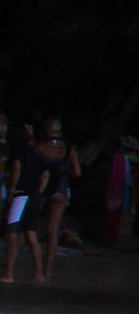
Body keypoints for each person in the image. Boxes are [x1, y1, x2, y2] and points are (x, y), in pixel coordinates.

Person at [4, 118, 76, 285]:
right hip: (58, 191)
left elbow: (18, 168)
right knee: (45, 230)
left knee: (16, 231)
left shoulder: (37, 148)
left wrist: (14, 189)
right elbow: (74, 172)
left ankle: (8, 271)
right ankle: (45, 270)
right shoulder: (68, 148)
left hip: (28, 194)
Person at [101, 135, 139, 247]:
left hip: (118, 188)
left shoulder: (121, 155)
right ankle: (109, 240)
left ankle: (110, 239)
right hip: (116, 188)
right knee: (113, 214)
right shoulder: (121, 155)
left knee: (114, 214)